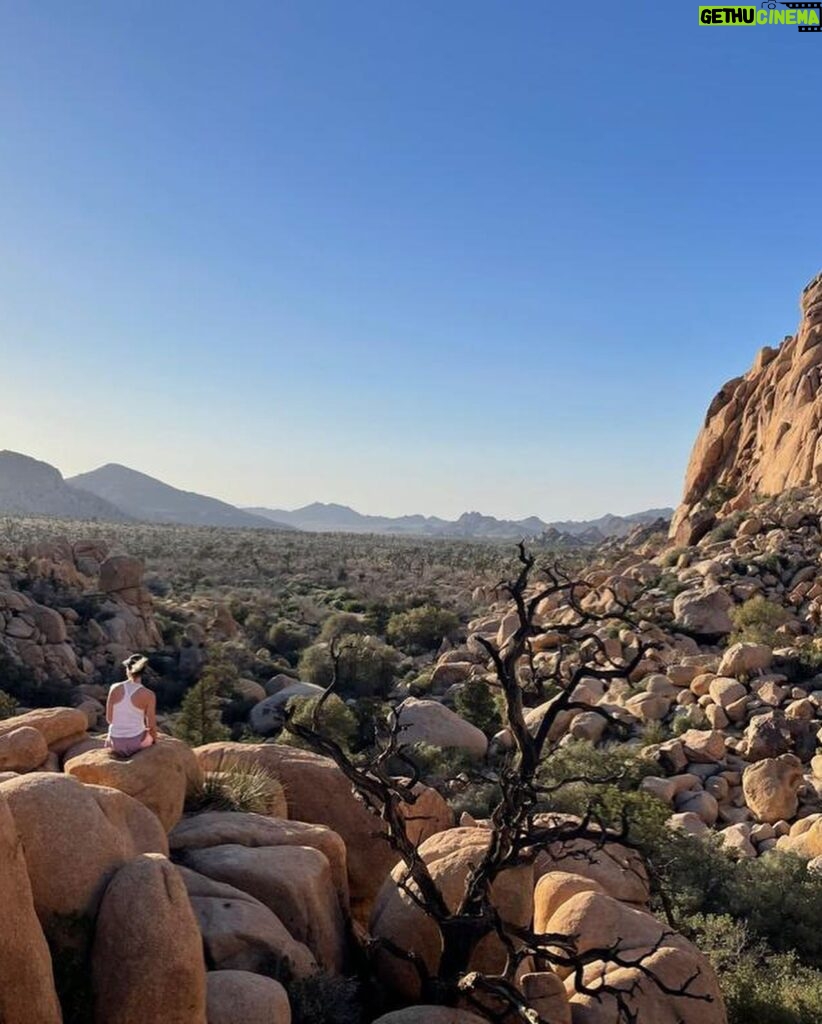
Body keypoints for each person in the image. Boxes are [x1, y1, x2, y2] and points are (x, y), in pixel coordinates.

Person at [105, 654, 158, 757]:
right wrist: (154, 741)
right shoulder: (149, 694)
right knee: (147, 735)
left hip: (115, 743)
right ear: (143, 671)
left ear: (128, 670)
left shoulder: (114, 688)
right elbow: (151, 725)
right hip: (136, 743)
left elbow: (109, 719)